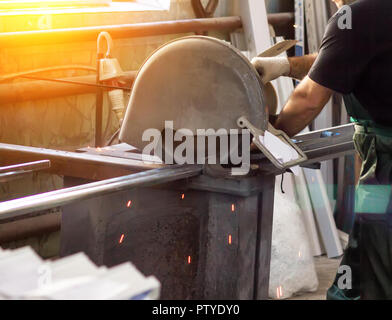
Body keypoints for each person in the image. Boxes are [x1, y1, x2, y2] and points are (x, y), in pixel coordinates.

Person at [252, 0, 392, 300]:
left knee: (374, 271)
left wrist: (269, 137)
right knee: (360, 265)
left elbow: (308, 100)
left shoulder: (355, 16)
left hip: (387, 164)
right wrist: (284, 66)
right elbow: (344, 56)